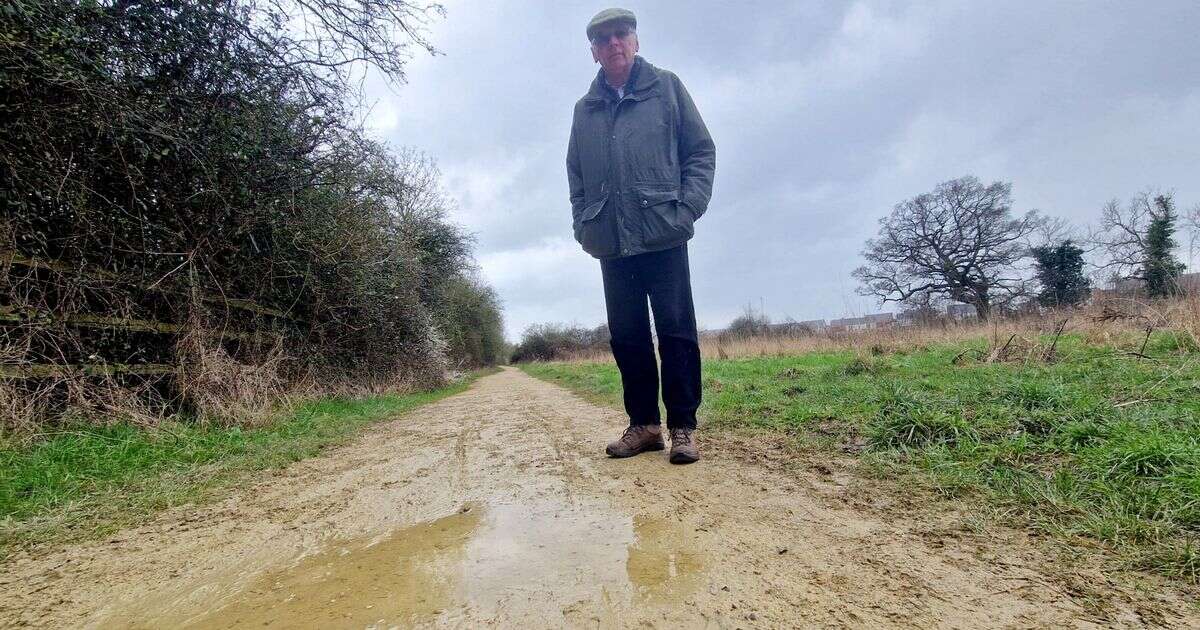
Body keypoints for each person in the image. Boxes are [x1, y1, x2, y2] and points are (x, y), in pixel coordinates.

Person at [566, 8, 716, 464]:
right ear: (593, 52)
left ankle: (683, 427)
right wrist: (584, 222)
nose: (613, 43)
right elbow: (575, 173)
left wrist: (685, 209)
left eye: (621, 35)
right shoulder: (584, 110)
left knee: (676, 332)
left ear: (635, 40)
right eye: (603, 39)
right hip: (611, 240)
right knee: (627, 336)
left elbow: (700, 151)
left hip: (663, 233)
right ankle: (645, 426)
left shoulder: (667, 88)